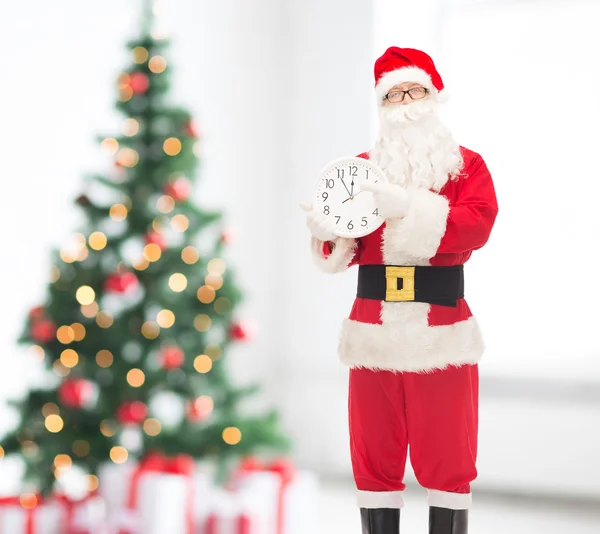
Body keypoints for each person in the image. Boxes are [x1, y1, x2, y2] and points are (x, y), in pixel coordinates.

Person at [301, 47, 498, 534]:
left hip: (442, 328)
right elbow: (343, 248)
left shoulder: (466, 166)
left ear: (433, 97)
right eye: (394, 94)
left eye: (415, 91)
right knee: (374, 452)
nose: (405, 102)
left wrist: (408, 206)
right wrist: (326, 229)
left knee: (450, 454)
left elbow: (476, 226)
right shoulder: (361, 172)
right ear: (382, 105)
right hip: (374, 328)